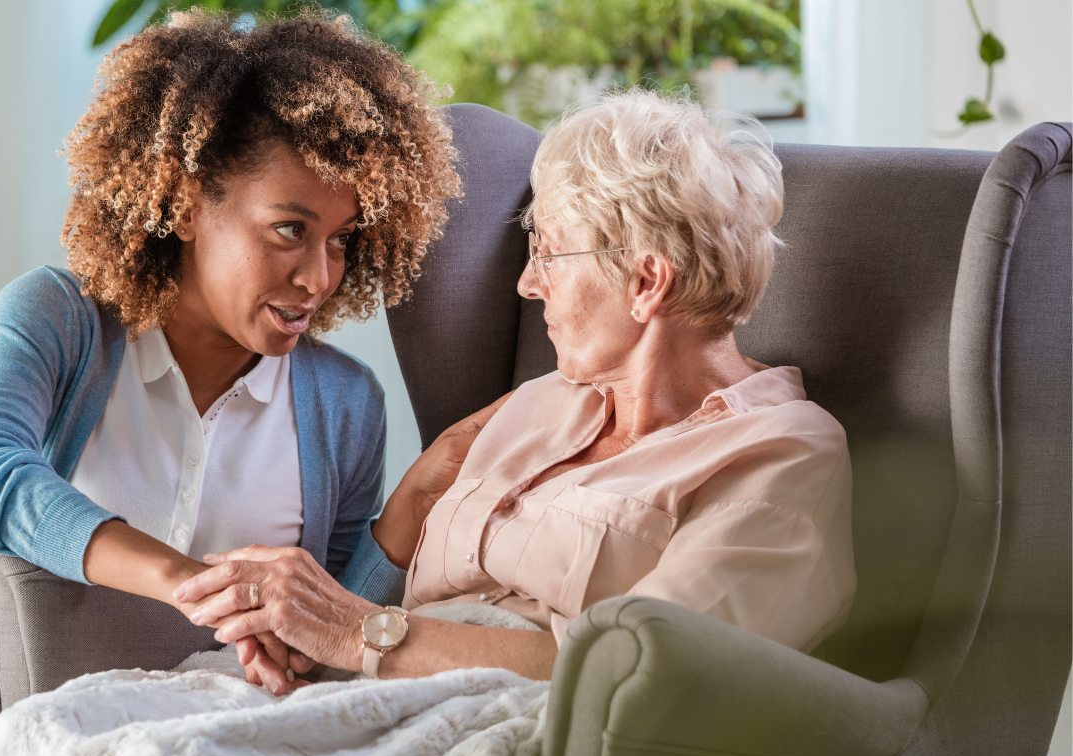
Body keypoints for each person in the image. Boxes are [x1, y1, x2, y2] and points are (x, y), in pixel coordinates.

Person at [178, 88, 857, 684]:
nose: (528, 285)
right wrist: (305, 638)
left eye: (548, 253)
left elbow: (645, 671)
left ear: (646, 282)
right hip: (372, 689)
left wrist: (356, 635)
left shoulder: (782, 455)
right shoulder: (540, 401)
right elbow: (380, 617)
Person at [0, 9, 460, 725]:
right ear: (184, 204)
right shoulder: (57, 321)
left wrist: (415, 499)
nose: (318, 277)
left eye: (342, 240)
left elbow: (326, 649)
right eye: (289, 230)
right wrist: (197, 584)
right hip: (42, 742)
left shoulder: (346, 403)